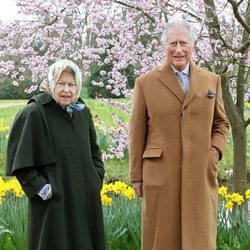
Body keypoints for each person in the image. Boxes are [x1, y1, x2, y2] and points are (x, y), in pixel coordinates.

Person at [129, 18, 230, 250]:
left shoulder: (211, 81)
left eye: (183, 42)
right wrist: (136, 174)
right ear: (164, 46)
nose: (178, 49)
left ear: (192, 46)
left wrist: (213, 153)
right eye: (172, 43)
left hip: (200, 172)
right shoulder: (145, 83)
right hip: (160, 173)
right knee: (161, 238)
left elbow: (221, 123)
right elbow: (137, 131)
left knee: (200, 237)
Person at [6, 59, 106, 250]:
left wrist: (96, 178)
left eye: (71, 84)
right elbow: (20, 161)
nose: (66, 90)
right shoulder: (35, 112)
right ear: (52, 84)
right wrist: (40, 187)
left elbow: (94, 152)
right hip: (53, 204)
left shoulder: (82, 113)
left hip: (85, 200)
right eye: (61, 84)